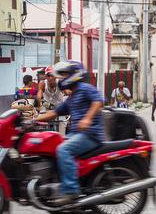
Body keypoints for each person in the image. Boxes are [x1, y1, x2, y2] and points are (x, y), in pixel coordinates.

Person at [34, 61, 105, 205]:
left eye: (64, 74)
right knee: (52, 147)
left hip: (90, 135)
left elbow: (98, 101)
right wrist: (32, 119)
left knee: (63, 150)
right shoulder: (72, 97)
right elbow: (54, 112)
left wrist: (87, 119)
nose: (61, 78)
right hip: (76, 135)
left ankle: (71, 191)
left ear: (74, 75)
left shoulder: (85, 88)